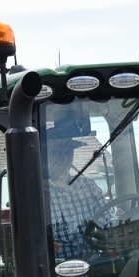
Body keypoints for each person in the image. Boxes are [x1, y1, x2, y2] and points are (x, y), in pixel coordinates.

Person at [45, 111, 110, 262]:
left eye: (68, 151)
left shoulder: (88, 187)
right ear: (43, 156)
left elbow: (108, 223)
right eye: (56, 152)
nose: (64, 157)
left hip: (95, 264)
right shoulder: (38, 194)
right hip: (56, 268)